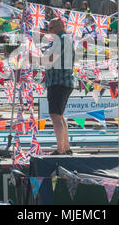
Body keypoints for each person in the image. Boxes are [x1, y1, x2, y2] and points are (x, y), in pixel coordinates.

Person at [42, 18, 75, 155]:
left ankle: (60, 150)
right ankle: (66, 148)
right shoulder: (65, 39)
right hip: (63, 82)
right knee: (60, 116)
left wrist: (35, 59)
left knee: (55, 116)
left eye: (50, 28)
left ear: (58, 27)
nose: (49, 32)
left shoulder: (61, 40)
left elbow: (50, 59)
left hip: (58, 82)